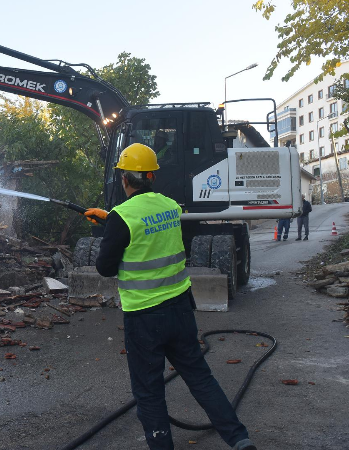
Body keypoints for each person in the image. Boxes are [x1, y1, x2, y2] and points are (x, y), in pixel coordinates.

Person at [83, 143, 256, 450]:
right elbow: (147, 226)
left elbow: (106, 267)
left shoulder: (121, 218)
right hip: (180, 310)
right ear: (151, 176)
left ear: (124, 178)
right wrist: (112, 220)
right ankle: (239, 439)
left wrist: (111, 224)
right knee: (200, 378)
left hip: (145, 318)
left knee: (149, 392)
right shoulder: (170, 207)